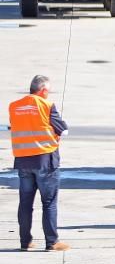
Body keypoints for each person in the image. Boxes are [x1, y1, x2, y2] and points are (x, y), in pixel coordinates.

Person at [10, 75, 69, 252]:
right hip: (45, 160)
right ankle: (52, 242)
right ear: (43, 90)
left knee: (25, 202)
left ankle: (25, 242)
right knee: (49, 202)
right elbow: (63, 130)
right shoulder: (46, 105)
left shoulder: (14, 106)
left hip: (23, 160)